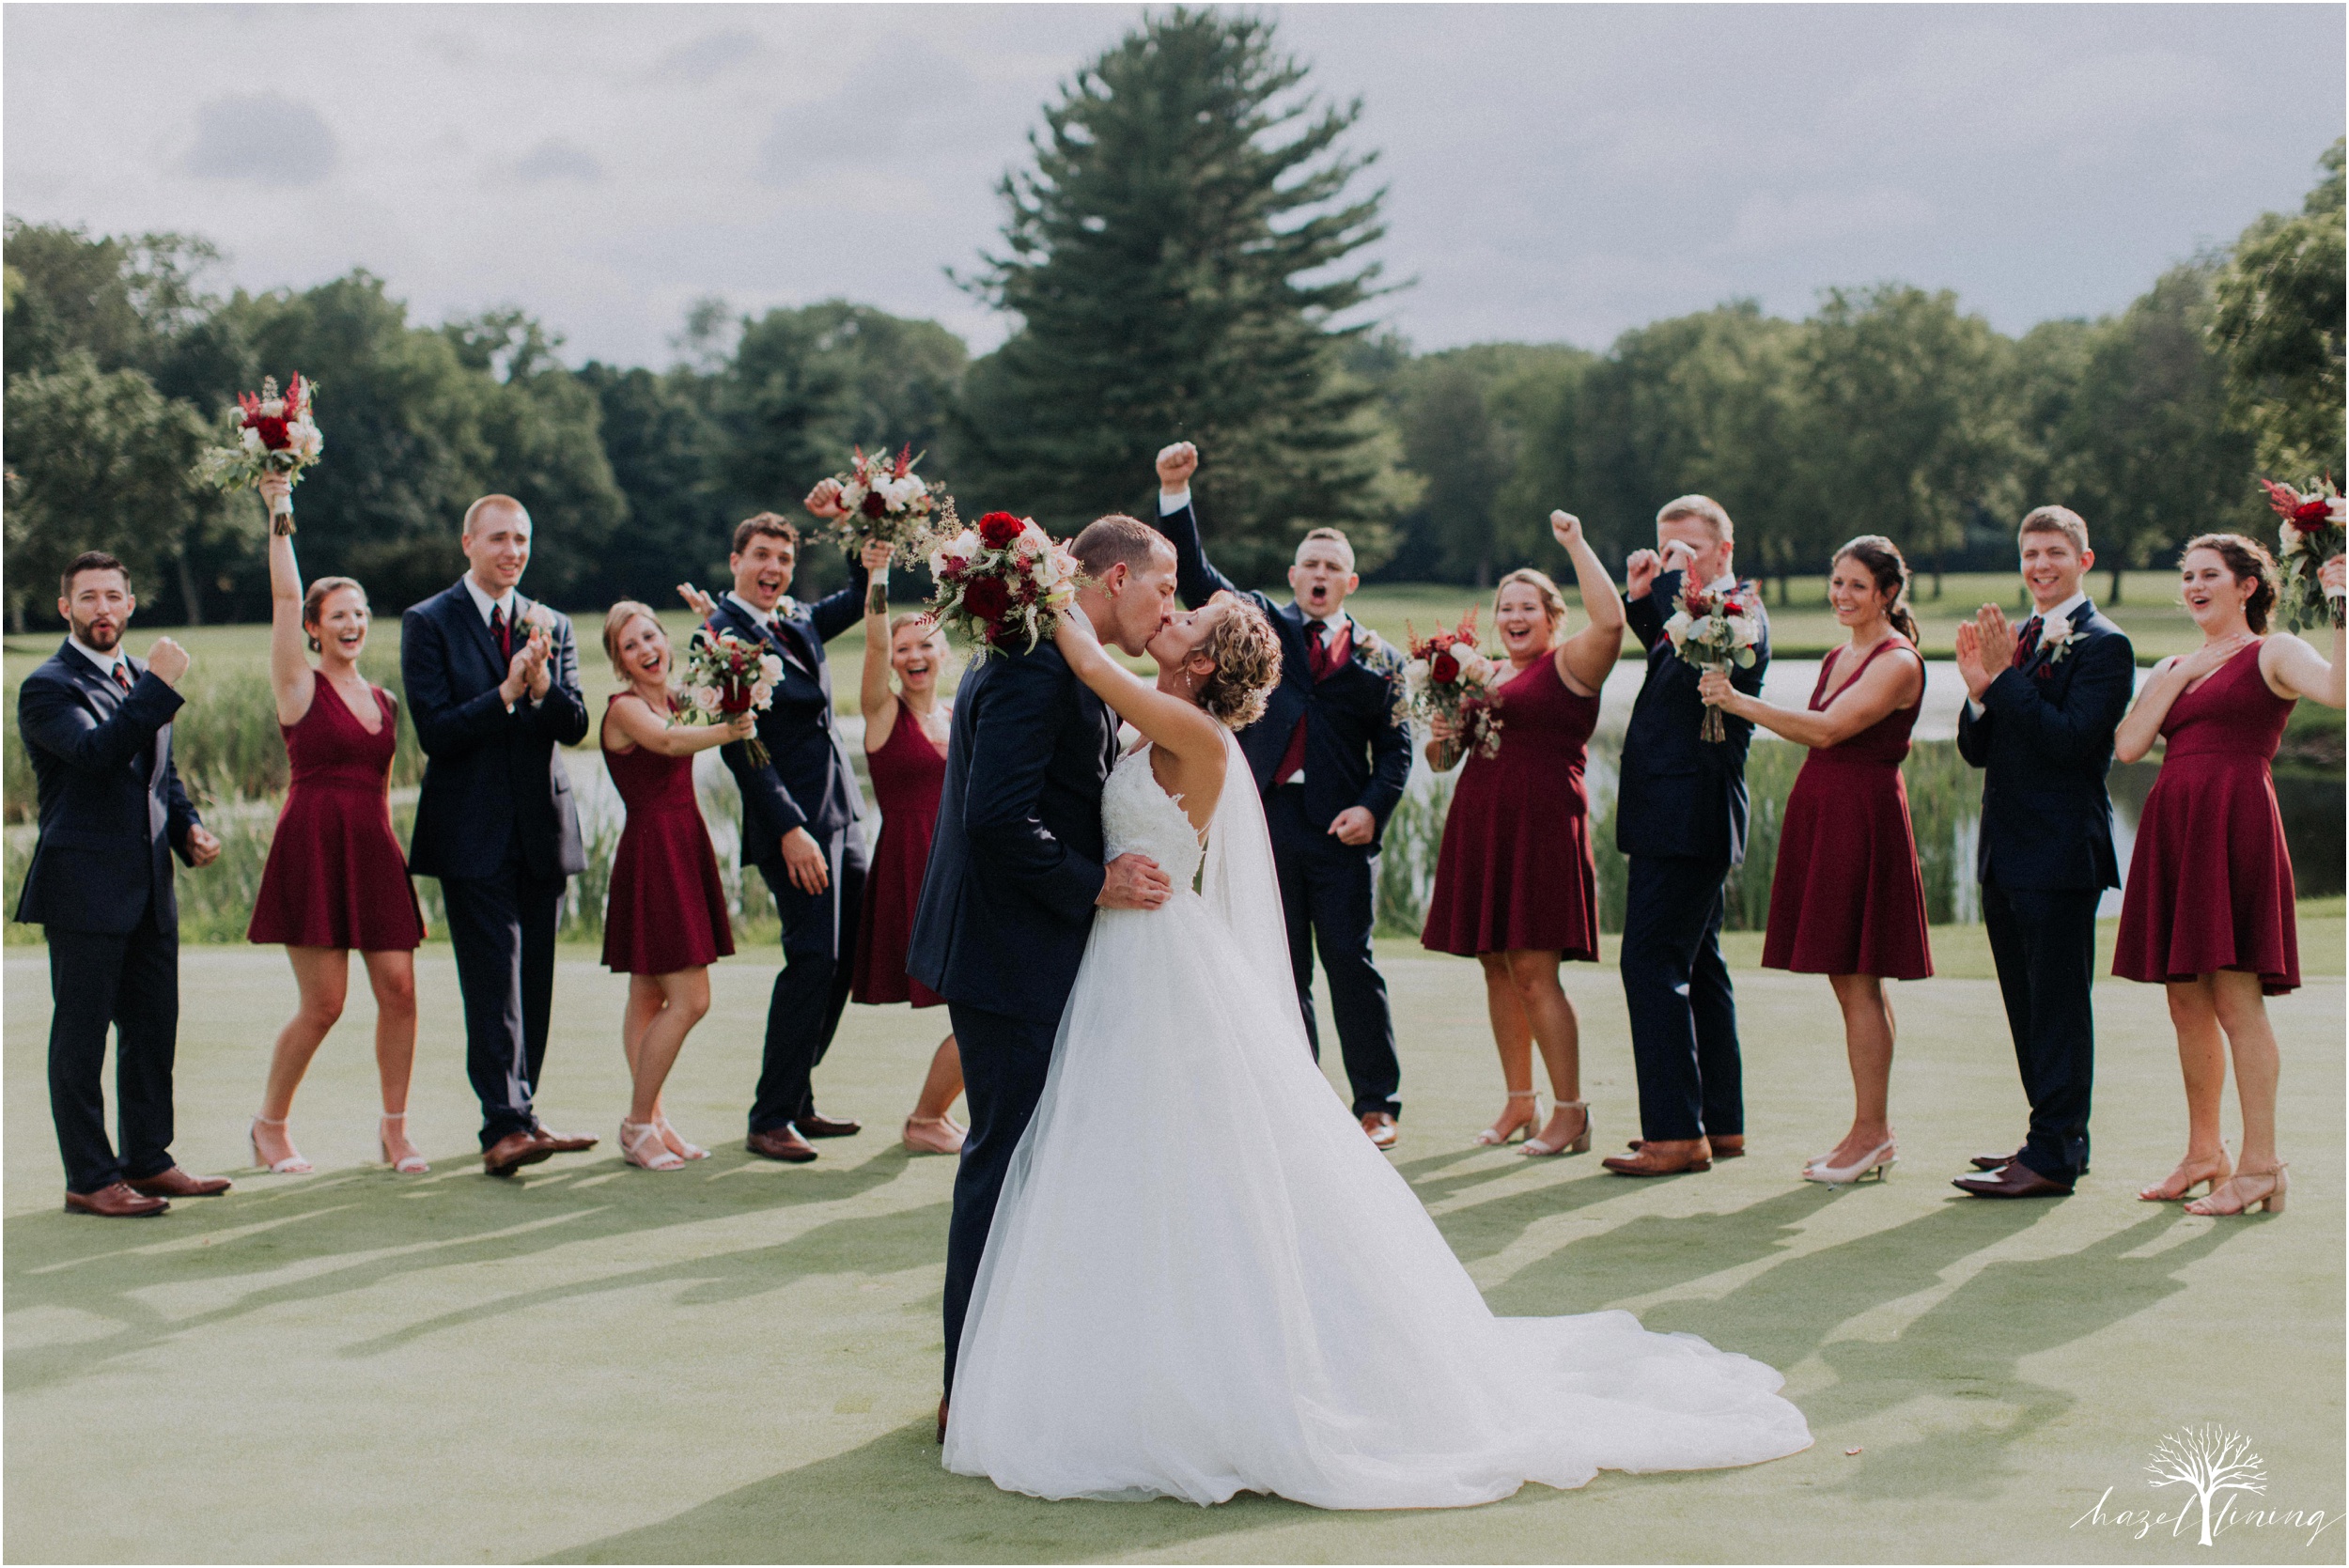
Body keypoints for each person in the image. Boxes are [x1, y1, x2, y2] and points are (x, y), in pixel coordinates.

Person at [943, 585, 1812, 1508]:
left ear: (1201, 666)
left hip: (1154, 955)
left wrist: (1035, 580)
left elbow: (1085, 660)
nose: (1173, 617)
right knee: (1134, 1161)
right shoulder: (1158, 717)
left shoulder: (1191, 731)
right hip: (1125, 955)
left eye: (1188, 619)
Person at [910, 515, 1177, 1441]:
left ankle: (1017, 1370)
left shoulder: (1054, 655)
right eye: (1162, 586)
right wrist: (1093, 881)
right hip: (1008, 951)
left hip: (1025, 947)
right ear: (1111, 580)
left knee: (1035, 1163)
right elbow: (996, 819)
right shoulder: (1031, 666)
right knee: (1005, 1161)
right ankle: (967, 1388)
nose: (1166, 605)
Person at [1148, 441, 1414, 1148]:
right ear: (1294, 576)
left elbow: (1397, 750)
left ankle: (1377, 1102)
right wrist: (1177, 495)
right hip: (1264, 822)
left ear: (1349, 581)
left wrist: (1373, 806)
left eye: (1333, 567)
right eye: (1310, 564)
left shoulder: (1380, 660)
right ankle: (1298, 1092)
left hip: (1339, 830)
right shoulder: (1263, 627)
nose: (1320, 575)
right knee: (1279, 961)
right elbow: (1200, 576)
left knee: (1351, 964)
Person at [2109, 536, 2344, 1219]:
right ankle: (2204, 1152)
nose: (2193, 585)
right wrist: (2180, 674)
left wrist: (2343, 605)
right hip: (2176, 828)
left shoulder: (2273, 651)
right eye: (2186, 575)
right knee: (2184, 999)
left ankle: (2262, 1164)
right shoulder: (2173, 664)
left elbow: (2339, 689)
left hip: (2235, 822)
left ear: (2247, 585)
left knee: (2238, 999)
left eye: (2209, 574)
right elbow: (2129, 744)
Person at [1699, 536, 1930, 1188]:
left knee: (1859, 975)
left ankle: (1872, 1132)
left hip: (1863, 816)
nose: (1841, 595)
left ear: (1887, 593)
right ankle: (1868, 1130)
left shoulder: (1899, 661)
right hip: (1828, 810)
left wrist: (1738, 701)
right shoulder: (1839, 654)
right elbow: (1820, 726)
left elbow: (1828, 730)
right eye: (1836, 582)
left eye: (1857, 585)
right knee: (1850, 977)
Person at [16, 550, 229, 1217]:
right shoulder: (47, 686)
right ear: (65, 609)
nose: (102, 608)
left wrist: (187, 827)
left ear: (130, 606)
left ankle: (148, 1159)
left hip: (149, 889)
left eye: (113, 596)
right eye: (88, 598)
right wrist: (159, 688)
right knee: (80, 1039)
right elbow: (97, 754)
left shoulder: (139, 675)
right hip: (82, 888)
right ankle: (89, 1176)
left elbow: (159, 774)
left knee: (152, 1029)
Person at [402, 494, 597, 1178]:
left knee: (534, 979)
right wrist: (507, 693)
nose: (512, 551)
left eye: (521, 539)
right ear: (467, 543)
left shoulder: (554, 624)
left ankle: (525, 1109)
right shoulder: (427, 621)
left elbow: (575, 725)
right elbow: (436, 731)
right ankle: (503, 1123)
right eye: (498, 539)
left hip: (541, 825)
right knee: (494, 981)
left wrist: (542, 687)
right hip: (469, 829)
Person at [1420, 512, 1625, 1157]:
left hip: (1540, 828)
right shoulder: (1480, 672)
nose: (1513, 616)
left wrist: (1574, 542)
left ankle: (1572, 1112)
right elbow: (1438, 759)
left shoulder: (1571, 664)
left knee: (1537, 973)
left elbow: (1613, 622)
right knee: (1496, 968)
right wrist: (1444, 729)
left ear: (1552, 616)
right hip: (1481, 822)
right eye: (1506, 606)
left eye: (1527, 606)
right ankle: (1519, 1102)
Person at [244, 472, 428, 1175]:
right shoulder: (298, 685)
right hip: (313, 847)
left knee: (401, 991)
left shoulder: (383, 698)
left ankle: (394, 1131)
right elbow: (286, 595)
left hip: (373, 849)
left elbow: (381, 789)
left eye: (362, 613)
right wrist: (279, 507)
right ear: (315, 627)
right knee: (324, 1004)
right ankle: (269, 1126)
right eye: (338, 615)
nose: (352, 624)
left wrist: (389, 856)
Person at [1949, 506, 2134, 1199]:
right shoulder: (2020, 638)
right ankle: (2051, 1138)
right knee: (2025, 1007)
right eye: (2030, 553)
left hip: (2060, 853)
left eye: (2055, 551)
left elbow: (2069, 740)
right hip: (2006, 850)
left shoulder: (2105, 646)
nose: (2040, 565)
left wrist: (2002, 682)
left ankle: (2053, 1153)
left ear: (2083, 559)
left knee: (2057, 1008)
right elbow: (1976, 751)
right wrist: (1978, 696)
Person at [685, 514, 876, 1164]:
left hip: (842, 813)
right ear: (735, 559)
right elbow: (744, 747)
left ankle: (797, 1097)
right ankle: (769, 1117)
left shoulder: (793, 620)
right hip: (791, 822)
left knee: (843, 959)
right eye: (762, 555)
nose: (773, 569)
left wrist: (855, 529)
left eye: (785, 559)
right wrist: (791, 827)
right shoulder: (719, 634)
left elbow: (855, 596)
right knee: (812, 958)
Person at [1604, 496, 1770, 1178]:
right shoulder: (1697, 615)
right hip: (1675, 812)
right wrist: (1644, 596)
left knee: (1649, 964)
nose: (1674, 558)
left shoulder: (1739, 613)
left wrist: (1670, 578)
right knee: (1700, 963)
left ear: (1724, 552)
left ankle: (1675, 1132)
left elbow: (1701, 644)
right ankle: (1720, 1122)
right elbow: (1671, 656)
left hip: (1688, 815)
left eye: (1689, 548)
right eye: (1664, 545)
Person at [597, 603, 754, 1171]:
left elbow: (719, 676)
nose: (644, 650)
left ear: (666, 639)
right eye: (630, 646)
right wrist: (730, 730)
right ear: (620, 663)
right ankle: (637, 1124)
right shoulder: (625, 709)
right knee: (691, 999)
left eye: (649, 637)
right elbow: (667, 744)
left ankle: (655, 1120)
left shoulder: (675, 698)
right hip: (654, 854)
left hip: (682, 842)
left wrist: (715, 625)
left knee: (648, 994)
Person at [851, 569, 967, 1155]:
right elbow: (872, 639)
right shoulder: (881, 713)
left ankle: (930, 1116)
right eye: (903, 648)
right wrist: (877, 576)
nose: (913, 654)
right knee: (980, 1003)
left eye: (925, 643)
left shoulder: (957, 715)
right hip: (911, 867)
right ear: (893, 661)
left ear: (943, 653)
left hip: (963, 869)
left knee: (982, 1001)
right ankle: (925, 1119)